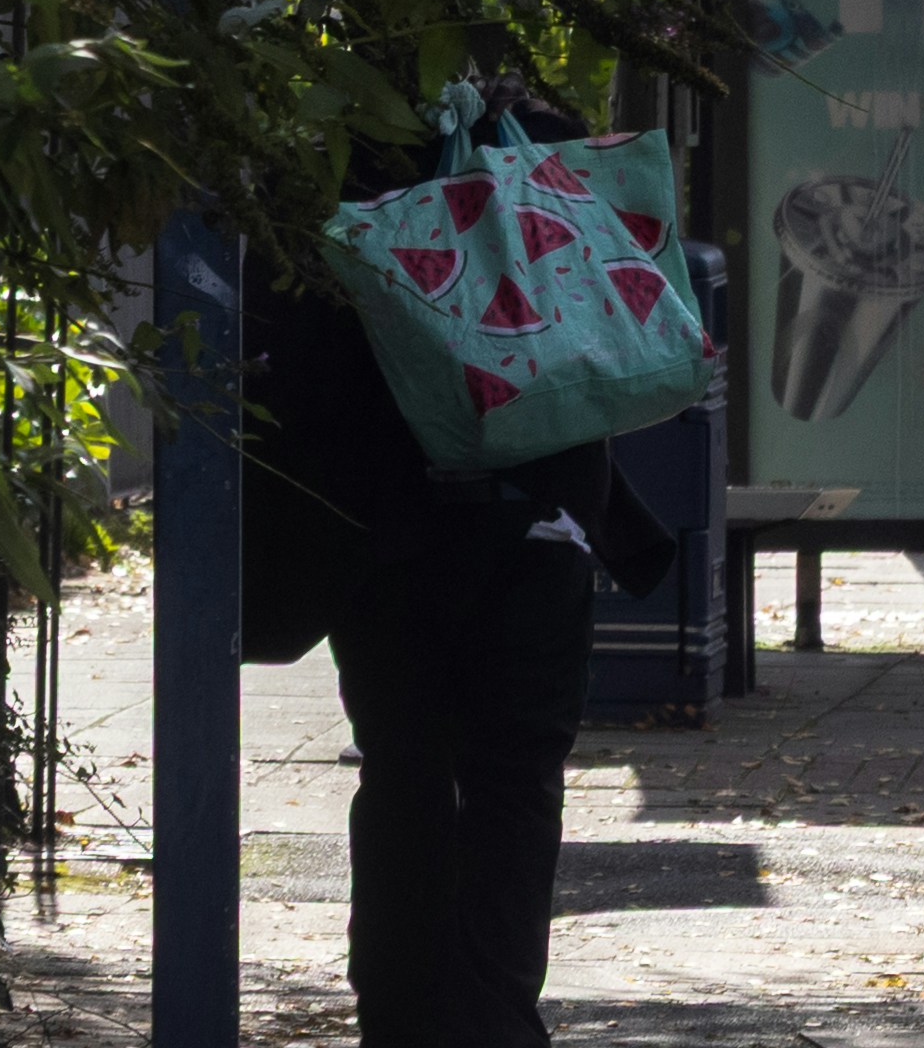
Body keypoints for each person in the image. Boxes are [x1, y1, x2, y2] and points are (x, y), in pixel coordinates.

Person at [241, 100, 678, 1048]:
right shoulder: (538, 135)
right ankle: (494, 1017)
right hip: (536, 521)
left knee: (404, 767)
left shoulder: (321, 161)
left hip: (384, 531)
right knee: (516, 778)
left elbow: (286, 363)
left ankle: (398, 1014)